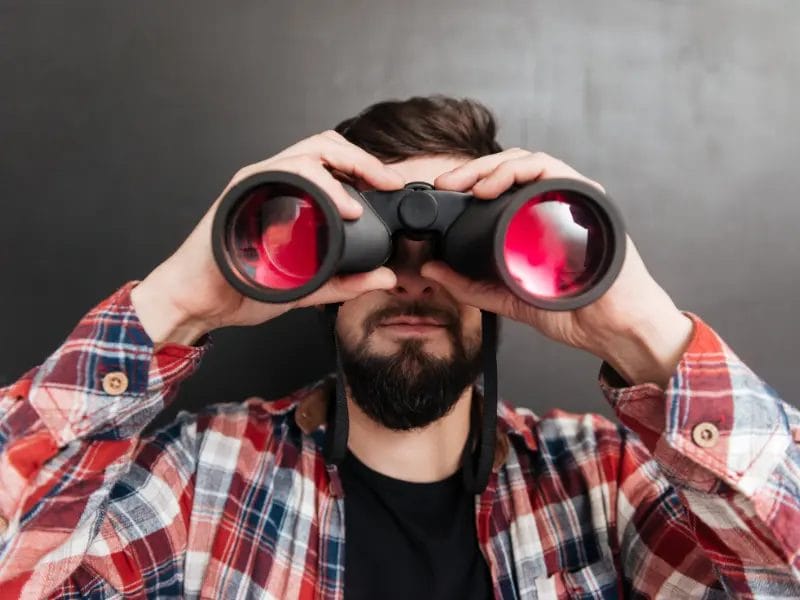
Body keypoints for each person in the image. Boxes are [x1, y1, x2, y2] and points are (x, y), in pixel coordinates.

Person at [0, 96, 797, 599]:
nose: (413, 280)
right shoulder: (196, 479)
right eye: (372, 247)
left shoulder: (608, 479)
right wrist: (171, 303)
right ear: (321, 265)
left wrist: (642, 330)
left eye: (457, 252)